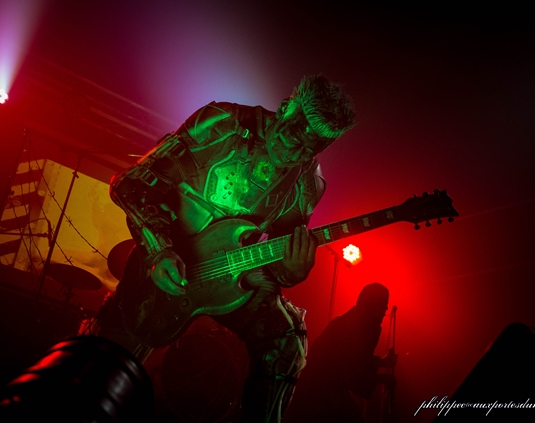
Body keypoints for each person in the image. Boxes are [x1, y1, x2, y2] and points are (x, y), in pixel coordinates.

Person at [89, 74, 356, 422]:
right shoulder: (223, 125)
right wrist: (159, 249)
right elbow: (132, 184)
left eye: (308, 149)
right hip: (168, 264)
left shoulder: (307, 182)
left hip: (228, 279)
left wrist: (291, 271)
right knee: (100, 380)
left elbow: (276, 255)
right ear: (285, 109)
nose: (292, 153)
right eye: (292, 136)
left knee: (287, 338)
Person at [283, 283, 398, 423]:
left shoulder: (357, 324)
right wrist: (379, 377)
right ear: (370, 304)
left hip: (326, 392)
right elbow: (347, 368)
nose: (384, 311)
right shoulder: (352, 327)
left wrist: (381, 362)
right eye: (382, 305)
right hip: (318, 394)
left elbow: (356, 360)